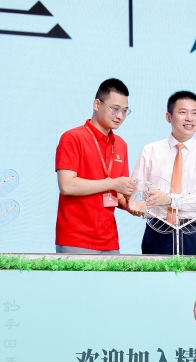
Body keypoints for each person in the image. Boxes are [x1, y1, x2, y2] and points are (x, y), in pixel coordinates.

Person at [55, 78, 139, 254]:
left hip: (110, 241)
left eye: (125, 111)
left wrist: (134, 205)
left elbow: (118, 195)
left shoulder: (121, 145)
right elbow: (67, 185)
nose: (120, 116)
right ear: (97, 104)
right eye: (115, 109)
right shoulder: (72, 138)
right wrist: (113, 183)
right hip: (76, 240)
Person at [131, 90, 196, 256]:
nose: (189, 118)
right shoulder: (150, 151)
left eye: (195, 113)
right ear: (168, 117)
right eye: (183, 112)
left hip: (194, 231)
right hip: (157, 228)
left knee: (195, 273)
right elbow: (135, 189)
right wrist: (136, 204)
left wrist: (171, 200)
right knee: (155, 273)